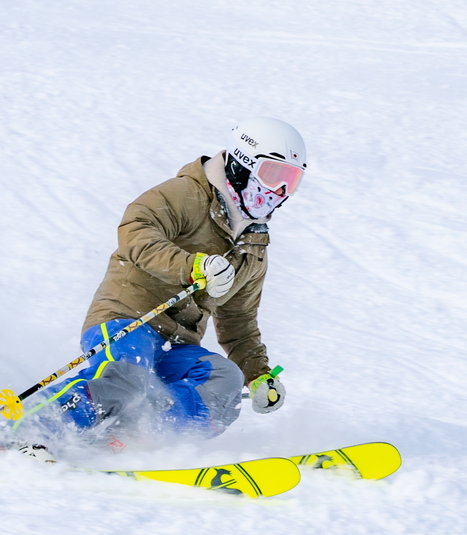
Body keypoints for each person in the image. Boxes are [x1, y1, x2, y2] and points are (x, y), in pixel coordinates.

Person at [32, 117, 305, 449]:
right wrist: (191, 266)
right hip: (128, 318)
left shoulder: (253, 248)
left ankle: (132, 442)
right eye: (274, 175)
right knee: (127, 377)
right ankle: (33, 428)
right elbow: (135, 228)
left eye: (291, 181)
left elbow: (238, 321)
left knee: (225, 381)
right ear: (241, 164)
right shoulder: (188, 194)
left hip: (177, 343)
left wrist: (257, 373)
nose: (279, 191)